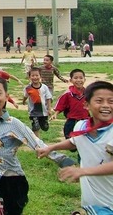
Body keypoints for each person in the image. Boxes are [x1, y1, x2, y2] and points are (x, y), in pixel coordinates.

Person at [0, 76, 75, 215]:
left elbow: (37, 143)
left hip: (13, 181)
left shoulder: (13, 124)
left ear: (6, 96)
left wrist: (62, 160)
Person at [37, 81, 113, 214]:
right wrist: (51, 148)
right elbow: (75, 141)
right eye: (99, 101)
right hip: (92, 202)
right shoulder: (81, 126)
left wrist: (83, 171)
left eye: (111, 101)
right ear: (86, 105)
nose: (106, 105)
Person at [54, 68, 89, 139]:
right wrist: (56, 113)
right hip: (72, 120)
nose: (78, 80)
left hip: (85, 120)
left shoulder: (88, 93)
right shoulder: (68, 94)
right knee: (70, 139)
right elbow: (61, 104)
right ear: (71, 80)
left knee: (86, 139)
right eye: (75, 78)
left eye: (81, 78)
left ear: (84, 80)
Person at [22, 67, 54, 138]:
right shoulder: (28, 88)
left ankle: (45, 123)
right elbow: (25, 96)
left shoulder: (44, 87)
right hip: (33, 112)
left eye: (37, 75)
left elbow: (48, 98)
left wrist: (49, 109)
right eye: (32, 76)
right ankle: (37, 141)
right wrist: (23, 101)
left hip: (44, 111)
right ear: (29, 77)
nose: (35, 77)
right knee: (35, 126)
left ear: (40, 76)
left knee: (45, 128)